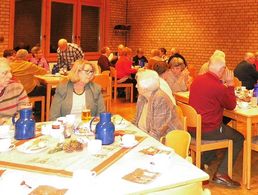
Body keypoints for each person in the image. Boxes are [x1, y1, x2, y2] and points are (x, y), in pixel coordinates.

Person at [189, 51, 244, 188]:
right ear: (221, 69)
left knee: (221, 128)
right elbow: (231, 105)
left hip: (193, 128)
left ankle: (200, 161)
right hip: (208, 129)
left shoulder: (198, 79)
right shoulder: (217, 87)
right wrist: (230, 85)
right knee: (238, 138)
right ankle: (221, 174)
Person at [133, 69, 182, 140]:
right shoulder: (142, 96)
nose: (136, 86)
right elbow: (136, 119)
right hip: (145, 135)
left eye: (138, 84)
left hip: (166, 140)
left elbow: (158, 131)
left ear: (146, 86)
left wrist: (140, 141)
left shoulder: (160, 99)